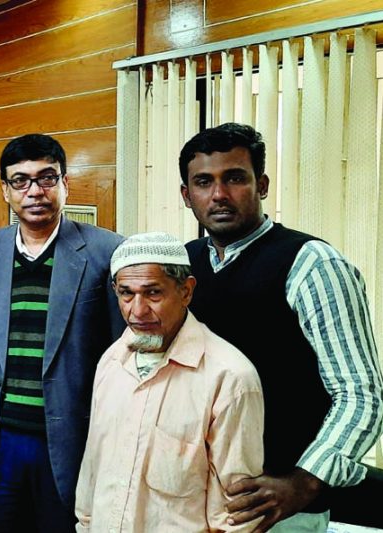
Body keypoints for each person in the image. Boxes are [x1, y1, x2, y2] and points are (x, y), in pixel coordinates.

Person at [180, 123, 383, 531]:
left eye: (235, 178)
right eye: (204, 182)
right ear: (187, 195)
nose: (219, 195)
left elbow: (360, 395)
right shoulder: (185, 264)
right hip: (196, 497)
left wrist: (304, 482)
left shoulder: (312, 264)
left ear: (263, 184)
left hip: (279, 504)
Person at [0, 133, 125, 532]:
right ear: (5, 190)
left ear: (65, 183)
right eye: (21, 181)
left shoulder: (106, 251)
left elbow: (121, 347)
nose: (35, 191)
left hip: (70, 438)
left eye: (46, 178)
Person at [75, 232, 265, 532]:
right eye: (126, 294)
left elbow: (235, 519)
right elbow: (91, 477)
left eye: (153, 293)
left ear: (186, 291)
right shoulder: (112, 362)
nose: (137, 311)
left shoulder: (229, 378)